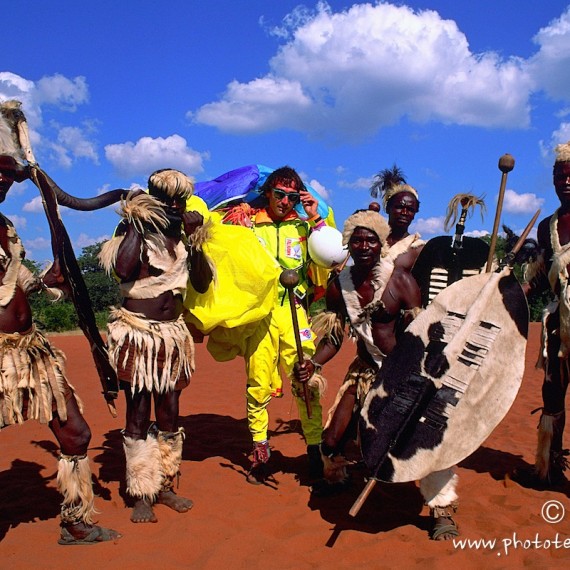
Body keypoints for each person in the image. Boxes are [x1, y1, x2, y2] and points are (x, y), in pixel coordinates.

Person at [295, 210, 461, 540]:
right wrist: (314, 362)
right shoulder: (339, 285)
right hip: (366, 370)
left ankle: (441, 510)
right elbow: (333, 335)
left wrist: (419, 376)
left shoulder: (399, 281)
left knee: (424, 439)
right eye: (357, 239)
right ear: (348, 243)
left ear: (381, 244)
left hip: (406, 372)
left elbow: (424, 332)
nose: (364, 245)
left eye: (371, 239)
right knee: (332, 439)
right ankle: (337, 479)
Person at [0, 155, 121, 545]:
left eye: (7, 175)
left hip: (30, 351)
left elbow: (16, 286)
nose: (4, 181)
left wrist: (50, 281)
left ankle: (75, 522)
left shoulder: (5, 228)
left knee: (75, 432)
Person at [99, 169, 213, 522]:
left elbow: (202, 282)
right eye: (166, 199)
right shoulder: (134, 229)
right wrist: (137, 219)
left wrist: (195, 240)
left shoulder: (185, 236)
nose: (175, 205)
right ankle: (140, 492)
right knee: (137, 410)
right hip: (138, 333)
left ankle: (164, 485)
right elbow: (122, 268)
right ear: (153, 198)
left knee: (170, 410)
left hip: (171, 335)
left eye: (180, 199)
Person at [223, 166, 326, 485]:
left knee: (306, 382)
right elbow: (223, 246)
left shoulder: (304, 227)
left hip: (295, 314)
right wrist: (235, 213)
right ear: (267, 192)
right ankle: (261, 451)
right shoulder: (248, 221)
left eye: (292, 196)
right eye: (279, 194)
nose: (285, 201)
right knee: (258, 383)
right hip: (262, 316)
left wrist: (315, 219)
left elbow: (329, 261)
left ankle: (315, 452)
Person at [517, 142, 570, 487]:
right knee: (552, 396)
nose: (565, 181)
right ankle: (547, 466)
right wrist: (506, 291)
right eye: (559, 175)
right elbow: (537, 279)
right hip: (556, 328)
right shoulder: (546, 226)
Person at [370, 164, 424, 270]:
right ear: (387, 208)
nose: (404, 212)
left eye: (410, 209)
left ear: (415, 213)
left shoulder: (418, 248)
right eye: (399, 207)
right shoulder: (372, 241)